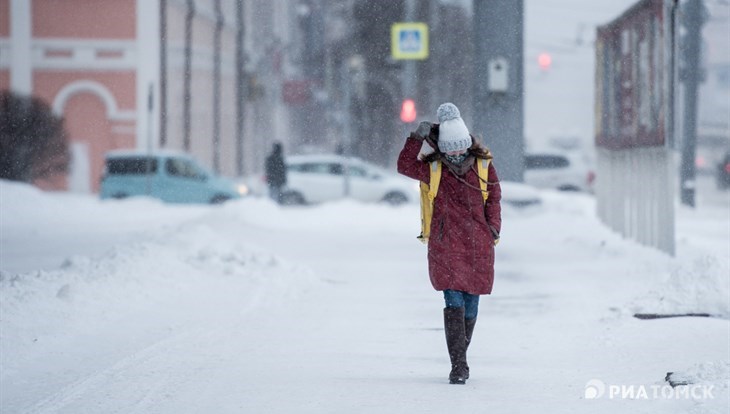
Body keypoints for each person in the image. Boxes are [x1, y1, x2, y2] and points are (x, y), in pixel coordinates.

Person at [397, 103, 502, 385]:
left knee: (471, 306)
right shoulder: (434, 169)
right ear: (443, 148)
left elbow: (494, 197)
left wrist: (493, 228)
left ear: (467, 144)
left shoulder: (483, 165)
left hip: (478, 244)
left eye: (460, 147)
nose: (456, 154)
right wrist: (415, 139)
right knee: (453, 300)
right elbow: (404, 165)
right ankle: (459, 365)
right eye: (450, 149)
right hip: (445, 243)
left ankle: (460, 358)